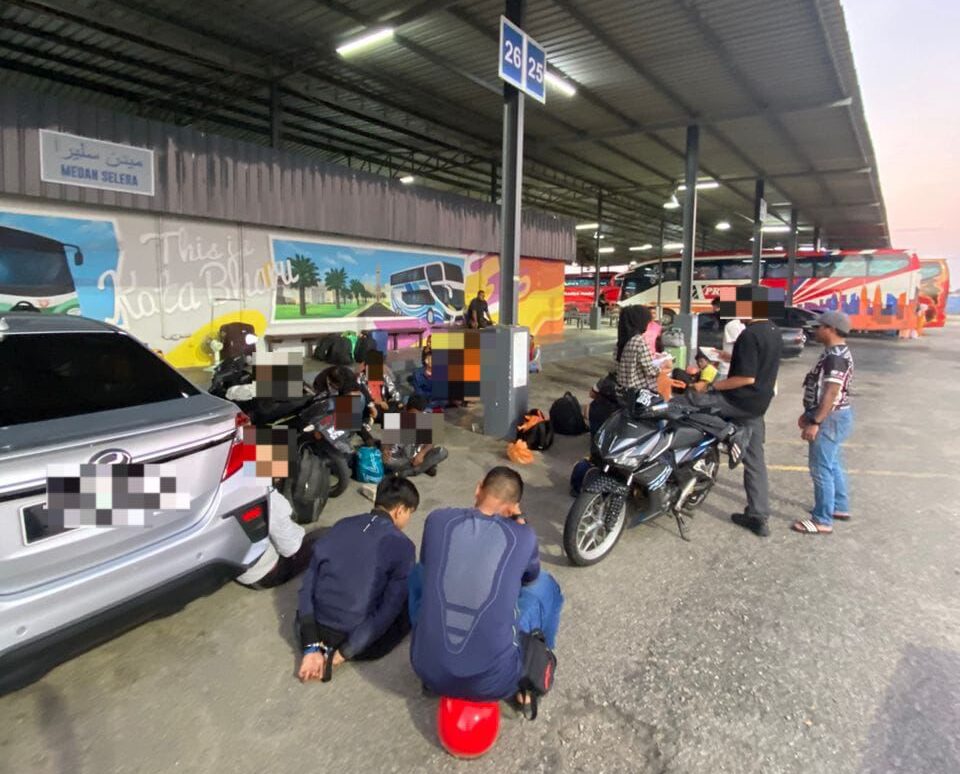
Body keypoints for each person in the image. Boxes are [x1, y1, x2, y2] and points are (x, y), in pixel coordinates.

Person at [409, 467, 564, 703]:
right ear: (512, 508)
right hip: (495, 682)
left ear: (478, 488)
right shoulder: (524, 535)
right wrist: (520, 523)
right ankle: (535, 664)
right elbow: (529, 578)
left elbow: (429, 563)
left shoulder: (437, 519)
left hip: (425, 667)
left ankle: (432, 644)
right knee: (547, 586)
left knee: (420, 573)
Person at [296, 476, 420, 682]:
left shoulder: (342, 525)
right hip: (360, 643)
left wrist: (310, 644)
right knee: (413, 586)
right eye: (409, 513)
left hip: (314, 629)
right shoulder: (403, 546)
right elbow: (389, 609)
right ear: (400, 510)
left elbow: (308, 584)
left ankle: (317, 647)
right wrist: (345, 652)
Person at [689, 289, 782, 537]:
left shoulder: (749, 334)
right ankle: (758, 516)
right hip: (758, 405)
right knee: (755, 460)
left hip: (737, 402)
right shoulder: (773, 331)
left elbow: (744, 377)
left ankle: (713, 447)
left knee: (686, 405)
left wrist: (707, 385)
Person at [793, 311, 854, 535]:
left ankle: (822, 519)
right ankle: (839, 506)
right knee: (833, 462)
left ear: (830, 329)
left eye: (819, 327)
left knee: (821, 469)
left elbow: (830, 392)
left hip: (829, 418)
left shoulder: (835, 357)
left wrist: (815, 421)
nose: (815, 331)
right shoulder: (834, 353)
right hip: (835, 416)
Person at [383, 395, 449, 478]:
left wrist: (422, 453)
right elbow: (386, 443)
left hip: (419, 456)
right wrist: (385, 450)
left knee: (442, 452)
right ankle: (424, 467)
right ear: (406, 408)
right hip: (402, 459)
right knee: (387, 462)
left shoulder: (427, 416)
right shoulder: (395, 418)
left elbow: (433, 440)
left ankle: (408, 472)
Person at [616, 305, 660, 393]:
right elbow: (651, 370)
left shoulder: (623, 340)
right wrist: (663, 365)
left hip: (625, 391)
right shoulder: (639, 342)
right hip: (640, 392)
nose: (648, 324)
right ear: (640, 322)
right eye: (647, 321)